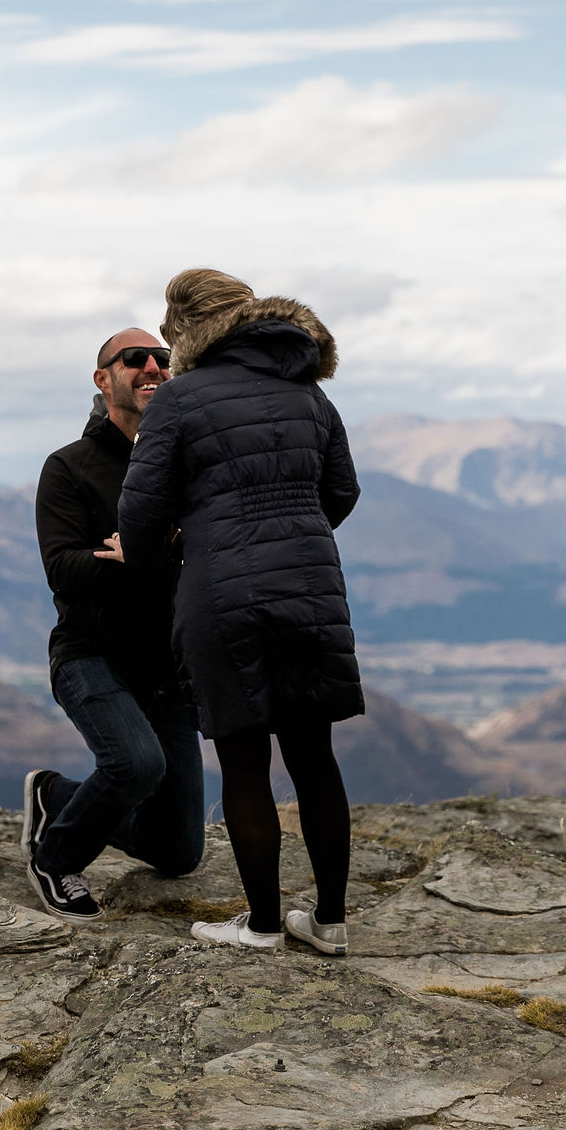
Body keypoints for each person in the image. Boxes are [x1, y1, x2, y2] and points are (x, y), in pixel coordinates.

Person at [117, 268, 362, 955]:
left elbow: (140, 512)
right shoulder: (308, 394)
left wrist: (181, 548)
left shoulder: (180, 400)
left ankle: (260, 924)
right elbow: (341, 489)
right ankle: (330, 923)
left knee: (245, 760)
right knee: (315, 755)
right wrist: (293, 535)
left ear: (186, 331)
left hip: (220, 590)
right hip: (310, 586)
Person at [24, 327, 205, 922]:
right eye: (135, 359)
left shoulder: (184, 463)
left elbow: (201, 557)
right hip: (90, 655)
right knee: (136, 764)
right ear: (104, 379)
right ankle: (55, 858)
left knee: (178, 851)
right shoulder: (69, 468)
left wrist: (144, 553)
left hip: (166, 668)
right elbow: (64, 568)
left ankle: (55, 796)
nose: (153, 366)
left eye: (162, 359)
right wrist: (155, 558)